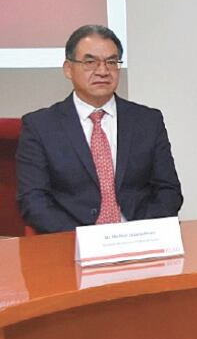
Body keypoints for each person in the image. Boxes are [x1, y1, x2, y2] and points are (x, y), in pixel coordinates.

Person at [16, 25, 183, 234]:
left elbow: (169, 191)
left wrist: (139, 233)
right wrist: (86, 240)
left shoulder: (148, 120)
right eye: (90, 62)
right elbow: (33, 201)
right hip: (71, 243)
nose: (103, 71)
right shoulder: (40, 126)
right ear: (68, 69)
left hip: (139, 240)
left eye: (111, 62)